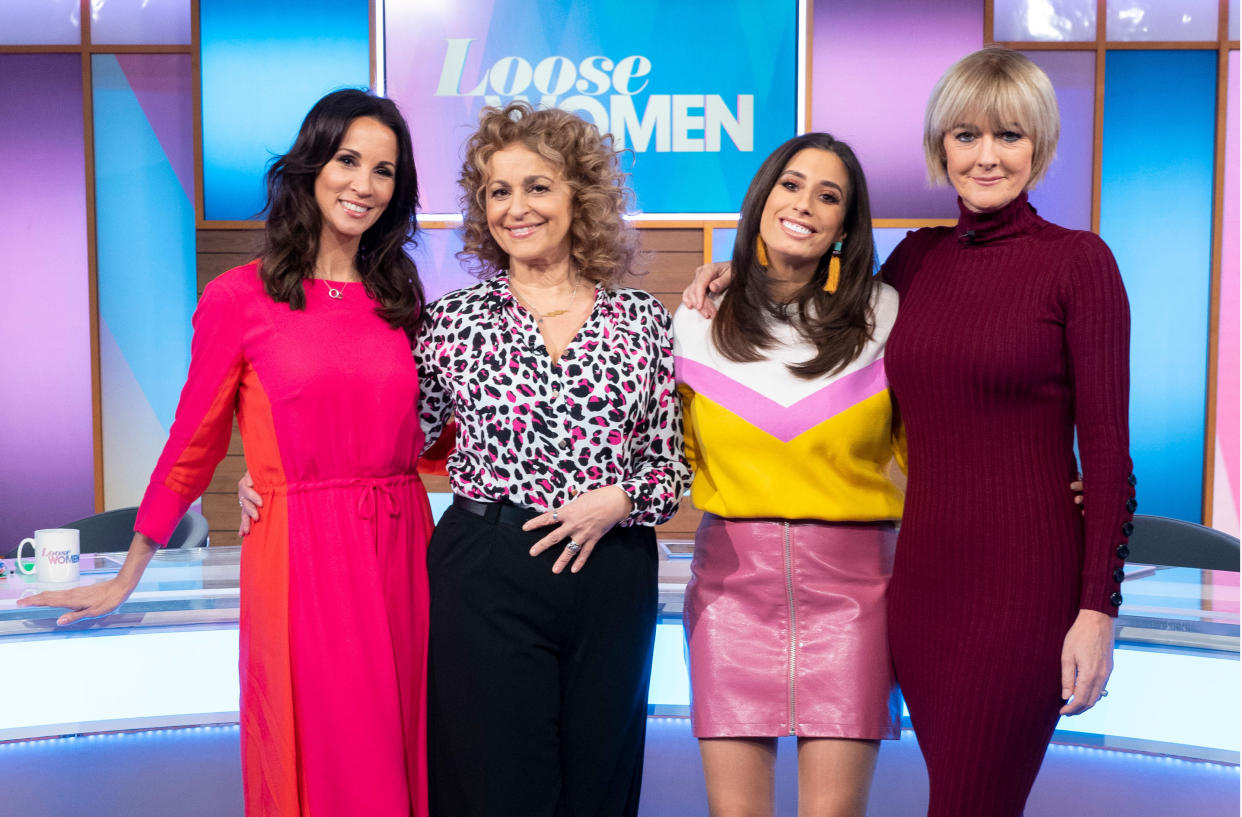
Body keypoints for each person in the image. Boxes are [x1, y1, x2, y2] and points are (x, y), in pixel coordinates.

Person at [685, 48, 1134, 817]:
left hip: (1025, 584)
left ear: (1040, 146)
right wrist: (734, 277)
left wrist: (1098, 611)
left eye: (1010, 136)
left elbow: (1109, 453)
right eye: (966, 135)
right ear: (940, 147)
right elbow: (816, 312)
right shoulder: (916, 262)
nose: (987, 156)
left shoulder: (1079, 262)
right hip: (919, 586)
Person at [21, 89, 435, 817]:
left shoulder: (401, 296)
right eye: (348, 160)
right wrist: (127, 573)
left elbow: (427, 431)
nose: (364, 185)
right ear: (311, 164)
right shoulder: (239, 298)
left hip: (404, 553)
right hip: (302, 559)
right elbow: (193, 441)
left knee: (413, 753)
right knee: (325, 760)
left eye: (384, 170)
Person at [418, 102, 689, 817]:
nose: (517, 207)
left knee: (599, 783)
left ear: (580, 195)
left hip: (612, 571)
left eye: (537, 185)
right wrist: (276, 465)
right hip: (487, 567)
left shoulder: (642, 321)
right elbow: (390, 441)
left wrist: (620, 499)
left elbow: (669, 468)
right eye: (498, 191)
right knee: (493, 786)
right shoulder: (451, 322)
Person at [675, 132, 903, 817]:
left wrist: (1042, 484)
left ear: (844, 226)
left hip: (856, 596)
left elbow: (939, 451)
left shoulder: (886, 315)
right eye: (792, 184)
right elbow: (669, 454)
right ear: (763, 197)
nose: (805, 203)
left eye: (828, 195)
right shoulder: (696, 318)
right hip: (729, 591)